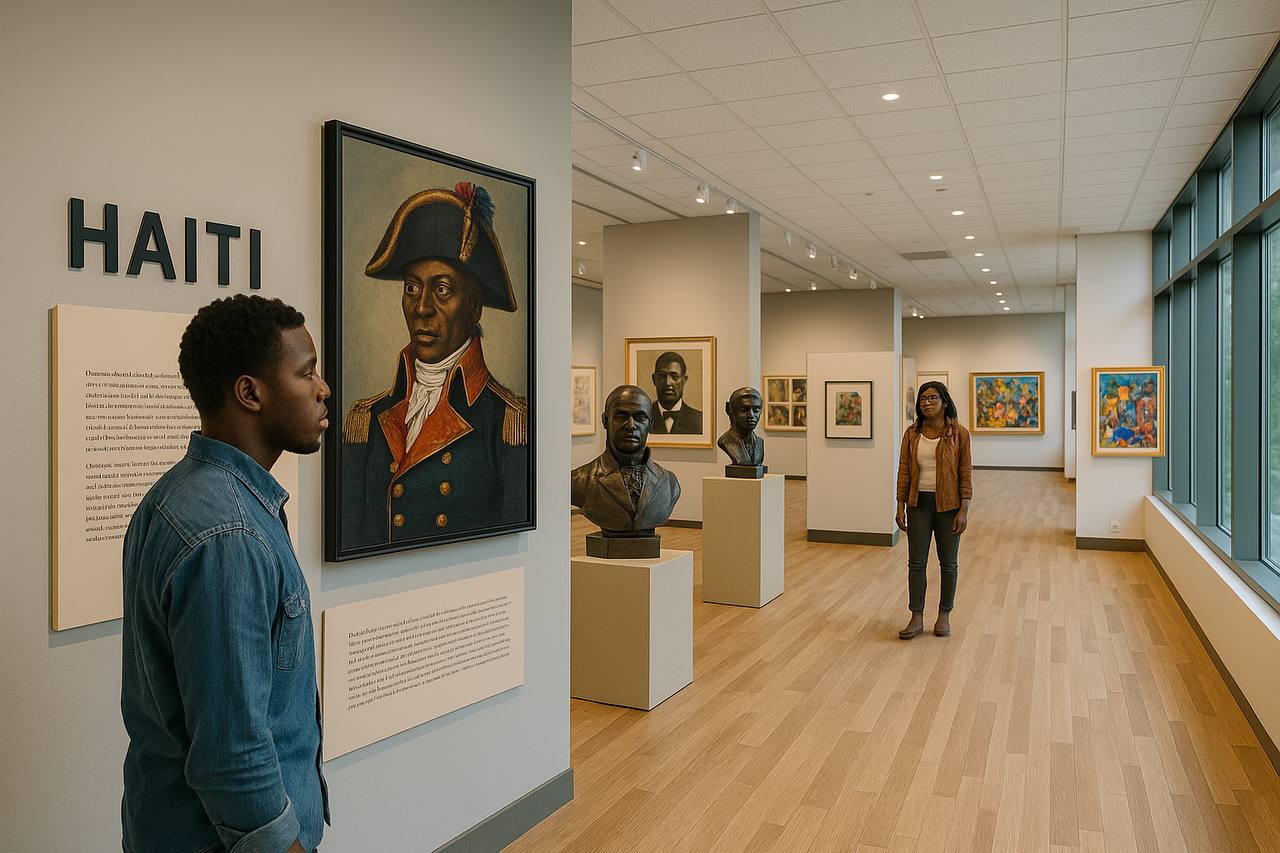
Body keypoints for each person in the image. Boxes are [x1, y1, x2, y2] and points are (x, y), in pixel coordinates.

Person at [121, 295, 330, 853]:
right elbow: (232, 754)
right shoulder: (228, 532)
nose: (323, 388)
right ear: (250, 393)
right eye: (306, 373)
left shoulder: (176, 497)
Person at [342, 182, 528, 551]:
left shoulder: (506, 421)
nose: (422, 307)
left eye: (442, 289)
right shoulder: (366, 418)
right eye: (412, 288)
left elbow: (511, 544)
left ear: (474, 307)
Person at [894, 380, 972, 640]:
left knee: (948, 563)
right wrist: (900, 504)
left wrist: (964, 509)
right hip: (919, 505)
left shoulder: (959, 434)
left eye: (932, 398)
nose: (927, 403)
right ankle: (916, 616)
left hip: (949, 506)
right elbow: (904, 470)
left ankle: (944, 614)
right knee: (916, 563)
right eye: (923, 399)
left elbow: (965, 473)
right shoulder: (912, 433)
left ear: (945, 402)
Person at [571, 385, 681, 535]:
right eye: (621, 417)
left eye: (640, 418)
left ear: (651, 424)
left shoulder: (670, 484)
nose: (630, 426)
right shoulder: (579, 480)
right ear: (605, 421)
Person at [648, 351, 702, 434]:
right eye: (662, 376)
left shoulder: (699, 420)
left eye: (674, 376)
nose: (668, 382)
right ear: (654, 379)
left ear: (684, 380)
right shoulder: (643, 416)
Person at [717, 386, 764, 467]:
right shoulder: (725, 441)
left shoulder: (759, 442)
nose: (751, 415)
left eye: (756, 410)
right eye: (743, 410)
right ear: (729, 410)